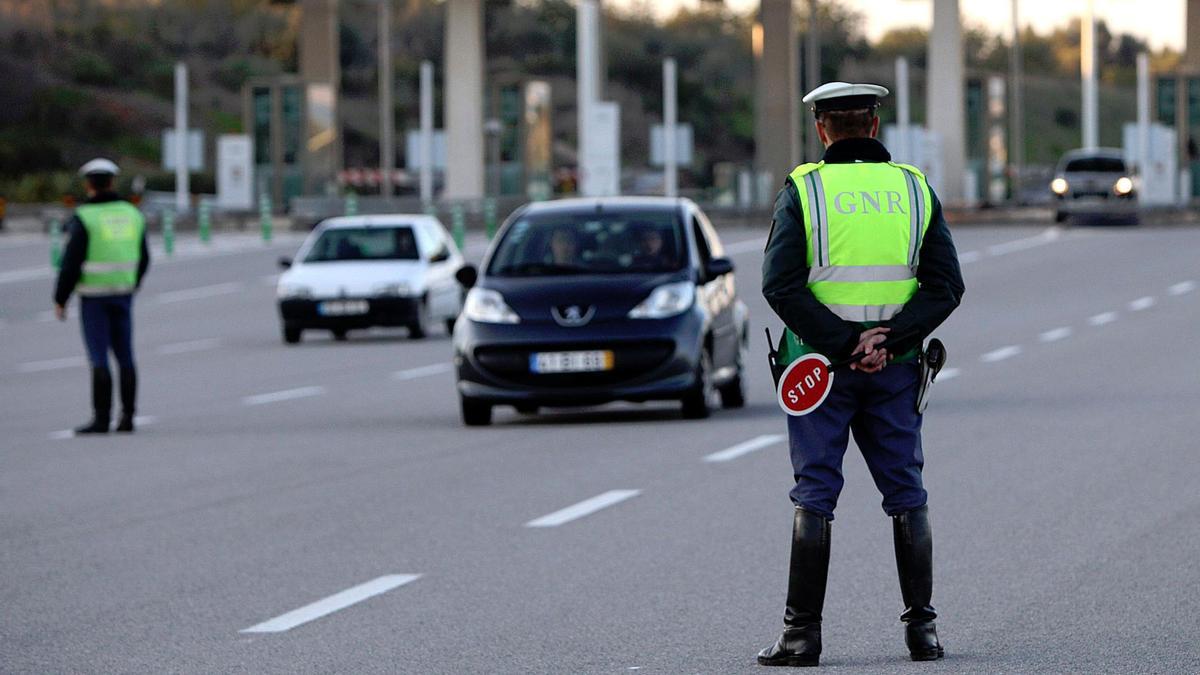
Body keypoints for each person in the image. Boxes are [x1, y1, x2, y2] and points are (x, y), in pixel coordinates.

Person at [757, 82, 965, 666]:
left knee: (815, 496)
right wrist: (888, 340)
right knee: (906, 493)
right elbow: (946, 285)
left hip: (819, 372)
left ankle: (801, 638)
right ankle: (922, 633)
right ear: (874, 126)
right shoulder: (914, 189)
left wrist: (844, 344)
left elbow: (780, 286)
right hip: (894, 369)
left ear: (822, 130)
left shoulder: (805, 190)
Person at [53, 158, 150, 435]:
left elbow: (71, 263)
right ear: (111, 182)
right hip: (123, 294)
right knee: (126, 355)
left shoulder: (85, 217)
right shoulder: (132, 214)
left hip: (94, 298)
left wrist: (61, 298)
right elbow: (144, 257)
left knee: (99, 357)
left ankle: (101, 418)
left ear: (88, 184)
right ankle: (128, 417)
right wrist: (133, 282)